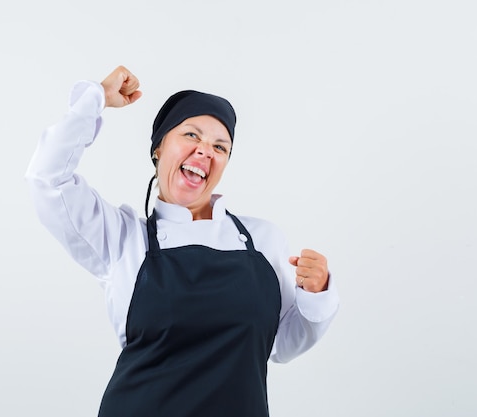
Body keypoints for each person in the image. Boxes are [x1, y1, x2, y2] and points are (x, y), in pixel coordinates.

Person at [25, 65, 339, 417]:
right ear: (159, 149)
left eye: (220, 146)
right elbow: (47, 178)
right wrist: (94, 99)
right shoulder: (123, 239)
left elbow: (280, 344)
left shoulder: (263, 241)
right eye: (191, 135)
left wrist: (318, 293)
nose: (205, 151)